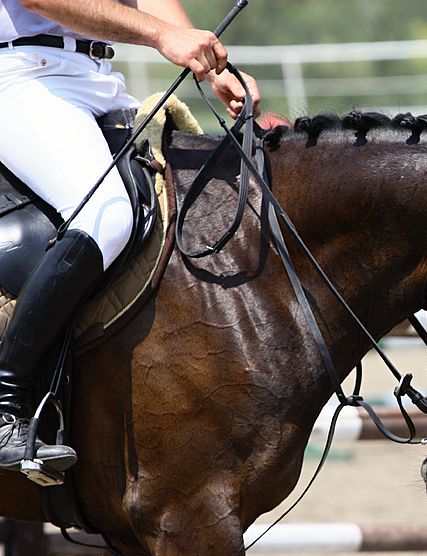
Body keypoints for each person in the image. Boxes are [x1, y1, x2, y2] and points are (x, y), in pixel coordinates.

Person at [0, 0, 261, 475]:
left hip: (93, 76)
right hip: (19, 74)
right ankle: (5, 400)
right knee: (107, 213)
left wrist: (205, 59)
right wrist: (162, 36)